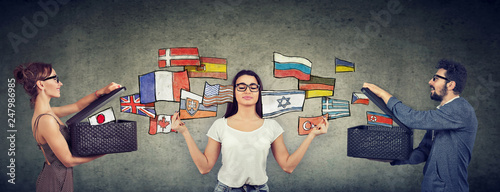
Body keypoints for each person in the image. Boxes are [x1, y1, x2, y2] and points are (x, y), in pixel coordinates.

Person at [171, 69, 329, 191]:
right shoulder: (220, 125)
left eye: (253, 87)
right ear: (234, 91)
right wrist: (185, 133)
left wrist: (312, 135)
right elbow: (204, 168)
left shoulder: (272, 126)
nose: (247, 90)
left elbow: (288, 166)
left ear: (259, 92)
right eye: (242, 86)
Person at [363, 59, 477, 192]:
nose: (430, 82)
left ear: (451, 84)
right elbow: (424, 152)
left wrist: (383, 94)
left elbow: (412, 119)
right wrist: (393, 158)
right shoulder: (442, 114)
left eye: (435, 78)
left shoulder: (461, 110)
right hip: (430, 187)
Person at [14, 62, 121, 192]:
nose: (60, 83)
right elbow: (68, 161)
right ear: (41, 84)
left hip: (58, 176)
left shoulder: (47, 113)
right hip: (55, 181)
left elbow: (77, 106)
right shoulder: (46, 120)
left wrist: (102, 91)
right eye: (55, 79)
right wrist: (106, 150)